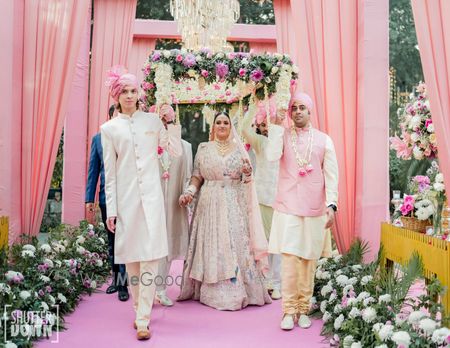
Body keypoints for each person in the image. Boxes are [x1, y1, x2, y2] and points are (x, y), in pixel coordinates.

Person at [101, 67, 182, 340]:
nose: (129, 95)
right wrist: (111, 210)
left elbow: (175, 150)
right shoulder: (109, 129)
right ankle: (138, 309)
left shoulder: (152, 121)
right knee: (132, 261)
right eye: (124, 91)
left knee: (150, 257)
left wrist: (171, 121)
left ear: (139, 93)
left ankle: (143, 317)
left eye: (133, 91)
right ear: (116, 95)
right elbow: (109, 175)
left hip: (152, 199)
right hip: (126, 202)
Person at [178, 111, 271, 311]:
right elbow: (197, 176)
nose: (221, 125)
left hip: (233, 203)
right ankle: (209, 289)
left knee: (233, 244)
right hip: (208, 203)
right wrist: (189, 192)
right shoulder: (204, 148)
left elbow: (247, 180)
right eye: (218, 122)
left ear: (230, 127)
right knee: (212, 243)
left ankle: (237, 288)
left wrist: (246, 174)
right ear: (213, 126)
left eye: (225, 123)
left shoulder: (239, 151)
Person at [266, 91, 338, 330]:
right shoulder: (282, 135)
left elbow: (331, 176)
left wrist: (331, 205)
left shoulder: (324, 140)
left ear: (310, 111)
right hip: (288, 206)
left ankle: (303, 308)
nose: (297, 111)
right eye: (293, 108)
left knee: (308, 260)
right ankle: (288, 311)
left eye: (302, 108)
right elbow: (271, 156)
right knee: (289, 259)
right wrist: (276, 126)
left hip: (315, 208)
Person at [85, 104, 129, 302]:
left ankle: (124, 284)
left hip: (128, 197)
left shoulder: (129, 138)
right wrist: (89, 198)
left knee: (125, 240)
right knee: (112, 241)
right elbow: (93, 170)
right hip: (106, 198)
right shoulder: (98, 139)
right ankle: (115, 280)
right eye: (115, 115)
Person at [242, 99, 281, 300]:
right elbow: (243, 128)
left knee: (280, 242)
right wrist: (254, 107)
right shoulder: (260, 143)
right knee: (266, 241)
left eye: (268, 123)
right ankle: (267, 280)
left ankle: (278, 281)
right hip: (265, 197)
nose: (265, 127)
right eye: (262, 124)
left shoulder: (283, 139)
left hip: (283, 200)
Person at [155, 104, 193, 307]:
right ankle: (146, 289)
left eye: (167, 120)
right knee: (150, 246)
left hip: (173, 204)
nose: (164, 123)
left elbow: (187, 176)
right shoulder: (148, 145)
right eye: (160, 120)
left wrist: (187, 194)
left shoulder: (185, 147)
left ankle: (160, 289)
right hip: (152, 203)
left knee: (168, 244)